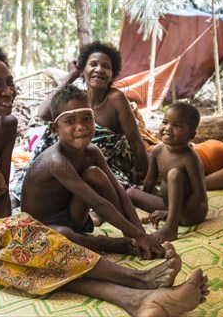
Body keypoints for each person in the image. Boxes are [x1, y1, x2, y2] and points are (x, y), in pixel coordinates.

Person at [0, 42, 209, 316]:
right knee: (23, 241)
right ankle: (138, 280)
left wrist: (12, 226)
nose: (9, 91)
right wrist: (13, 229)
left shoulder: (7, 124)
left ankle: (135, 300)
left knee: (22, 257)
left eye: (10, 82)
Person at [21, 85, 165, 258]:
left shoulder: (92, 151)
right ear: (54, 129)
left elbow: (119, 191)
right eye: (70, 121)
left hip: (71, 216)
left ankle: (129, 238)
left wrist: (140, 233)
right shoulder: (56, 161)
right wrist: (140, 236)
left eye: (87, 118)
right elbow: (97, 203)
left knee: (94, 174)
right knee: (64, 236)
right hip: (43, 227)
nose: (80, 127)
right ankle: (103, 243)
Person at [29, 41, 149, 190]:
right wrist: (72, 75)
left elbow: (136, 141)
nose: (99, 70)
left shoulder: (116, 99)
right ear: (82, 70)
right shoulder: (78, 99)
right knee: (53, 129)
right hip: (75, 162)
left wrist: (148, 181)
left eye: (106, 66)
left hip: (108, 167)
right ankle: (29, 185)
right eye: (93, 64)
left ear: (112, 74)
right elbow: (44, 113)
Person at [127, 102, 209, 242]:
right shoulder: (157, 151)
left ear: (191, 134)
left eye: (176, 125)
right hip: (169, 205)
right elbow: (149, 183)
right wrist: (148, 205)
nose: (167, 128)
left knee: (174, 174)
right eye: (165, 122)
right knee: (130, 192)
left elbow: (199, 196)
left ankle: (171, 228)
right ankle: (161, 219)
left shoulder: (190, 157)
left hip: (191, 212)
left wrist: (169, 214)